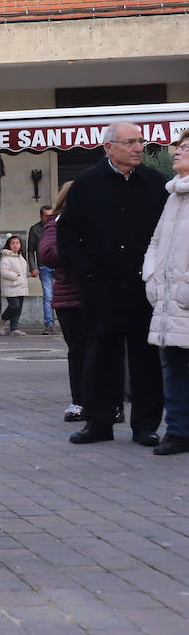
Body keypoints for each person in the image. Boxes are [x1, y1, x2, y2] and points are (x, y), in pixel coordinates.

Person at [58, 121, 167, 447]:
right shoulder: (87, 184)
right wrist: (87, 273)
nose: (137, 148)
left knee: (146, 359)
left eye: (140, 142)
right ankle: (99, 423)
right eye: (129, 142)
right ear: (109, 148)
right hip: (100, 287)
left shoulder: (155, 183)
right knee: (100, 356)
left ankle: (145, 426)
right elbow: (68, 237)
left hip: (142, 287)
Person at [142, 128, 188, 456]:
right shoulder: (174, 195)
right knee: (172, 366)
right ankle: (177, 431)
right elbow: (156, 241)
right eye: (178, 147)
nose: (176, 152)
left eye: (185, 148)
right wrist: (151, 277)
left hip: (183, 297)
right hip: (167, 299)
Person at [40, 182, 90, 424]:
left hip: (98, 294)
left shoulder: (96, 219)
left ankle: (109, 403)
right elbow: (47, 253)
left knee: (104, 350)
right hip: (70, 297)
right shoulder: (57, 223)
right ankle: (79, 401)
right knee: (78, 351)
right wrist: (81, 253)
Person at [27, 205, 56, 334]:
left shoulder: (58, 227)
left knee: (62, 294)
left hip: (59, 265)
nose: (49, 218)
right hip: (44, 266)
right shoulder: (35, 229)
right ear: (41, 216)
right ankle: (49, 324)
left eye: (52, 215)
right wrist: (33, 267)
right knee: (48, 296)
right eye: (46, 215)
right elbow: (30, 250)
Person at [0, 235, 29, 336]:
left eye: (17, 243)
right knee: (14, 306)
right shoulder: (6, 257)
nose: (15, 245)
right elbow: (4, 272)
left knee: (18, 309)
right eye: (13, 243)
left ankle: (14, 328)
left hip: (21, 286)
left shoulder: (21, 257)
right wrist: (16, 276)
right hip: (11, 286)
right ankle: (2, 321)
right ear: (9, 245)